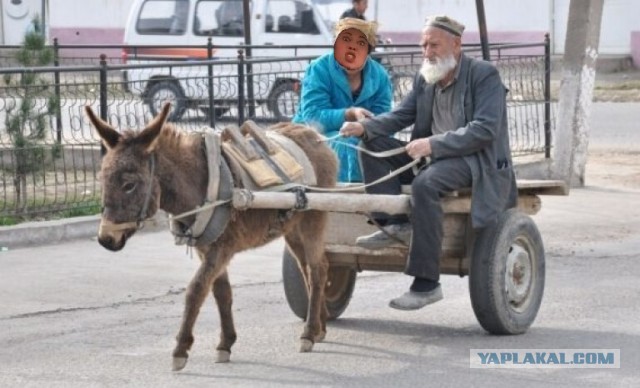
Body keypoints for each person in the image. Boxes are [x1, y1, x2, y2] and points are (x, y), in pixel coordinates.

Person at [340, 15, 517, 310]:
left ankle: (427, 284)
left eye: (434, 45)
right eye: (424, 45)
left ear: (456, 45)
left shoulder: (484, 75)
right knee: (371, 145)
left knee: (426, 183)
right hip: (432, 157)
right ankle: (393, 223)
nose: (427, 52)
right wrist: (366, 128)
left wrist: (434, 144)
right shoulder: (427, 77)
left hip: (473, 161)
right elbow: (401, 115)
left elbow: (484, 130)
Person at [292, 17, 392, 182]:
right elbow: (313, 116)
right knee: (349, 145)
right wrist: (349, 114)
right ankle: (348, 198)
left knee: (375, 147)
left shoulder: (380, 76)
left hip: (364, 134)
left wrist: (365, 129)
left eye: (360, 43)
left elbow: (386, 119)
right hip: (315, 134)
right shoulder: (319, 69)